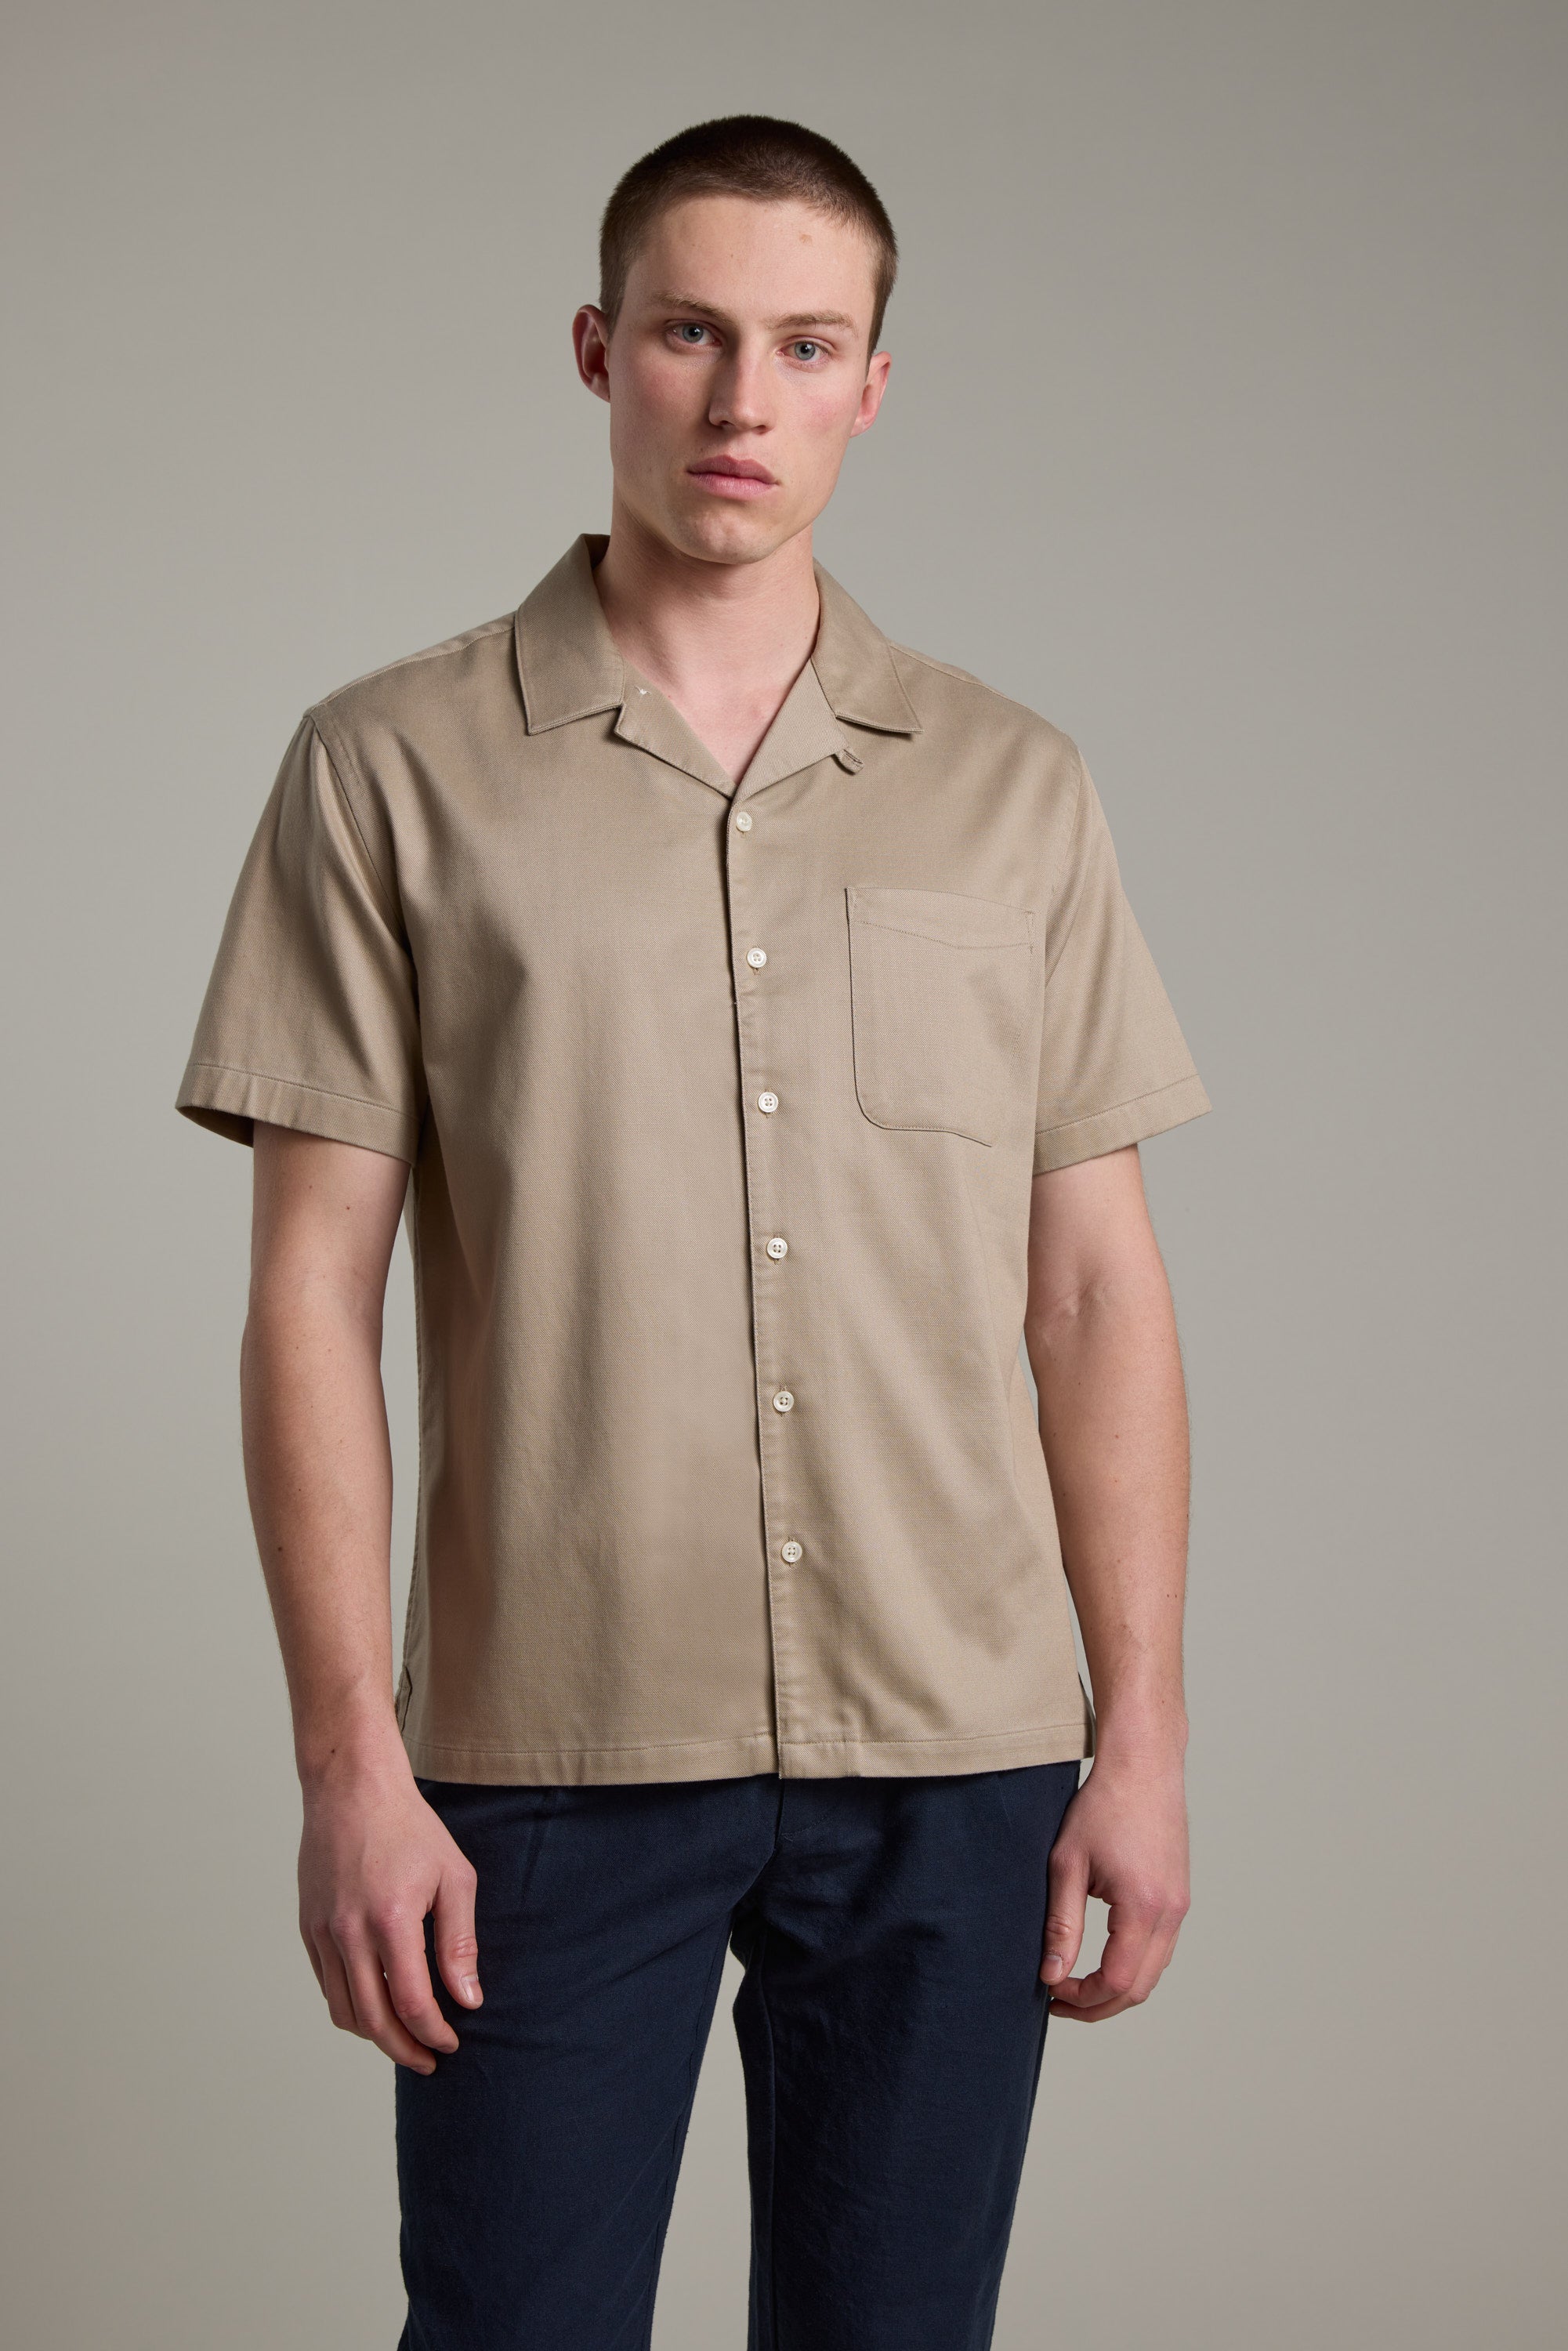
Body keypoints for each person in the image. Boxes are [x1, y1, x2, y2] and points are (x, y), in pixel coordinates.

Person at [176, 113, 1210, 2351]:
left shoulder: (1011, 785)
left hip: (954, 1753)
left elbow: (1093, 1293)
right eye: (689, 334)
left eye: (804, 344)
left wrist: (1137, 1739)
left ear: (870, 385)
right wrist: (350, 1766)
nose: (742, 399)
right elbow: (305, 1304)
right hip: (544, 1761)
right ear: (599, 350)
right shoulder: (389, 768)